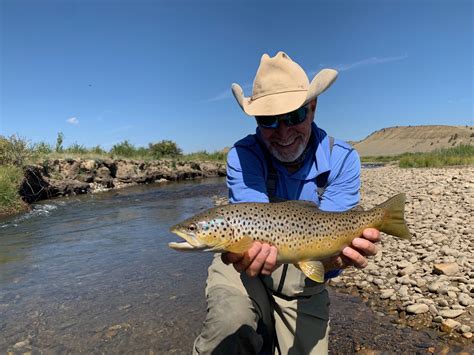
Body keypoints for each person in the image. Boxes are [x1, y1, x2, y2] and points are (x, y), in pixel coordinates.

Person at [193, 51, 380, 355]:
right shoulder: (243, 156)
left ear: (313, 108)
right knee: (228, 330)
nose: (282, 133)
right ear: (256, 119)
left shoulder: (342, 160)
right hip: (244, 270)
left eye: (294, 116)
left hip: (305, 281)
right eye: (268, 120)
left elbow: (328, 247)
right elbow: (253, 226)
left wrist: (334, 260)